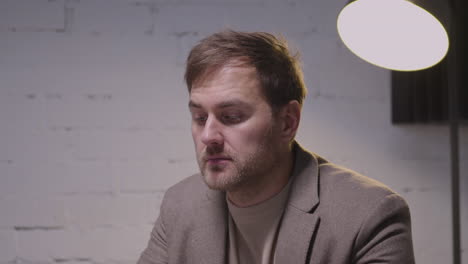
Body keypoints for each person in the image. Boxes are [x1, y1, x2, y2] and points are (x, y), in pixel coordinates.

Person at [137, 30, 415, 264]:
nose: (208, 135)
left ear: (287, 122)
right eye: (199, 117)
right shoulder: (179, 204)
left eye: (231, 117)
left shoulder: (369, 215)